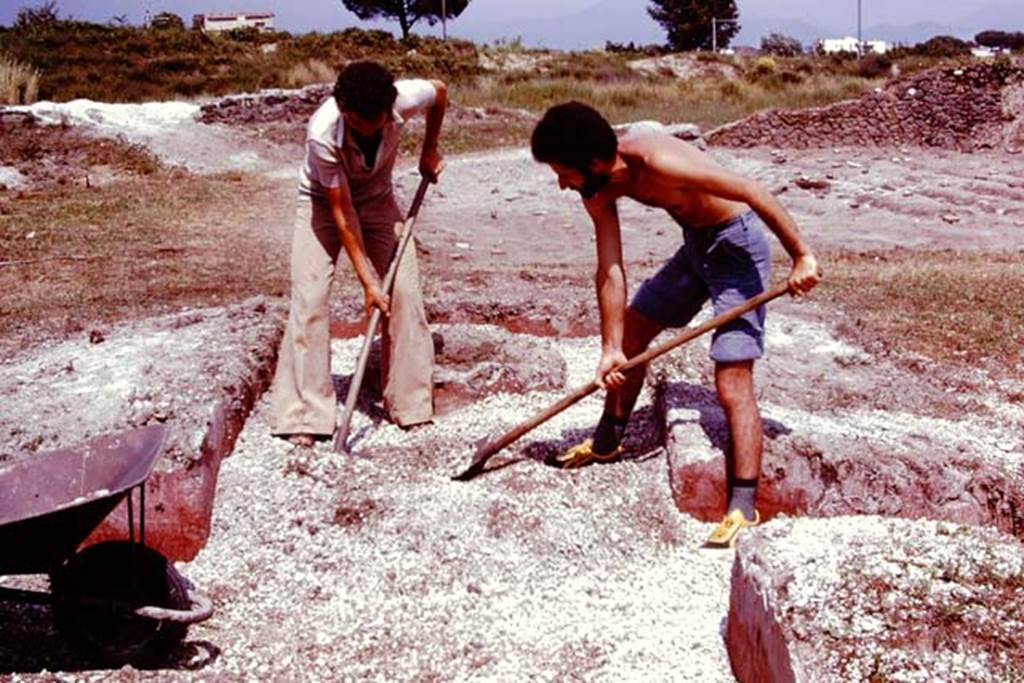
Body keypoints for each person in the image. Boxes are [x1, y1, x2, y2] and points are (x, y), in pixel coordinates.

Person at [530, 102, 821, 547]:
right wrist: (611, 347)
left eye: (563, 172)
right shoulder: (598, 190)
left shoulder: (660, 160)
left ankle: (743, 505)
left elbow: (751, 190)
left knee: (732, 378)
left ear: (591, 162)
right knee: (631, 333)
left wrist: (802, 255)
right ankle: (607, 442)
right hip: (697, 247)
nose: (561, 184)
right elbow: (610, 267)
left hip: (736, 247)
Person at [269, 61, 447, 447]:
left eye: (376, 126)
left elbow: (441, 90)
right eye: (357, 127)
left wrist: (429, 150)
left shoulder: (405, 97)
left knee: (403, 292)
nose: (367, 133)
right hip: (322, 201)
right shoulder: (322, 132)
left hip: (378, 197)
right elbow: (343, 214)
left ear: (390, 109)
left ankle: (410, 404)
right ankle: (305, 413)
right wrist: (368, 282)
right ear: (343, 110)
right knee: (311, 297)